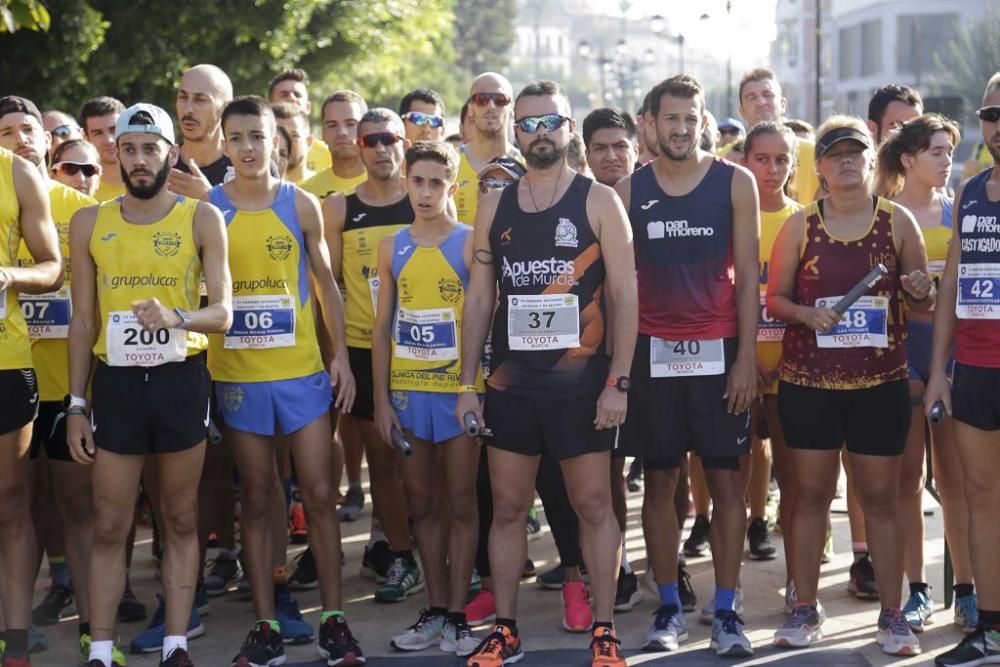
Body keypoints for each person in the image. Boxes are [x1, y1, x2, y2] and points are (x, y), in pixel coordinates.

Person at [457, 79, 637, 667]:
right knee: (507, 509)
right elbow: (480, 301)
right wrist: (466, 384)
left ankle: (605, 632)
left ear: (568, 128)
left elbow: (627, 297)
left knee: (593, 506)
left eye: (550, 122)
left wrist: (619, 382)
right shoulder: (495, 205)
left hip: (583, 386)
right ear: (516, 131)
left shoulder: (598, 201)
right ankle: (505, 630)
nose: (539, 132)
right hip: (511, 385)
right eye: (528, 123)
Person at [65, 103, 232, 667]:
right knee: (110, 523)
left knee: (179, 518)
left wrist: (177, 316)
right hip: (115, 385)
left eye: (150, 149)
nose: (139, 160)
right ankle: (103, 650)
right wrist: (77, 404)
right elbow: (83, 321)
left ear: (171, 153)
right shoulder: (90, 221)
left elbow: (225, 313)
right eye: (129, 149)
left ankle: (177, 645)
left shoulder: (202, 217)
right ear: (117, 154)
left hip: (180, 380)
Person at [203, 95, 362, 667]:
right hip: (238, 375)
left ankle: (335, 623)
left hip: (301, 373)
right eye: (237, 137)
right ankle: (266, 624)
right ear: (224, 144)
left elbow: (325, 282)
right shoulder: (207, 208)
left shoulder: (300, 204)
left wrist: (339, 354)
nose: (248, 148)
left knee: (319, 495)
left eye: (258, 136)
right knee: (260, 497)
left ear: (278, 141)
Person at [767, 115, 932, 655]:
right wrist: (805, 315)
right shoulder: (800, 225)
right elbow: (776, 300)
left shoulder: (897, 221)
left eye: (855, 152)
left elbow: (923, 298)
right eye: (835, 153)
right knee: (809, 495)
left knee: (882, 498)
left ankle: (892, 614)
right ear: (820, 166)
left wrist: (916, 285)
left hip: (880, 382)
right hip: (809, 381)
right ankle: (804, 607)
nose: (845, 161)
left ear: (870, 159)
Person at [616, 74, 759, 658]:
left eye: (690, 117)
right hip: (653, 355)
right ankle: (669, 604)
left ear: (703, 120)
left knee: (728, 486)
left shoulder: (735, 182)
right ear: (649, 123)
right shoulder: (628, 190)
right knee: (660, 483)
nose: (681, 128)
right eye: (669, 118)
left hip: (719, 354)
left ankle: (725, 609)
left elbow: (749, 278)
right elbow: (623, 291)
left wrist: (746, 358)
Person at [0, 95, 107, 664]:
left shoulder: (82, 206)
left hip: (67, 381)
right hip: (17, 372)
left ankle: (95, 629)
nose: (20, 138)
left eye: (28, 129)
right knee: (18, 505)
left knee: (77, 506)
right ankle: (16, 631)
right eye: (7, 130)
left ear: (46, 140)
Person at [371, 141, 482, 656]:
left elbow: (482, 322)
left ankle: (459, 615)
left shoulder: (468, 242)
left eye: (437, 182)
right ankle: (436, 610)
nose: (425, 191)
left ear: (452, 187)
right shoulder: (392, 245)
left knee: (460, 502)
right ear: (405, 183)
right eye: (418, 181)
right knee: (423, 506)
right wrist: (381, 401)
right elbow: (381, 330)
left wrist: (469, 389)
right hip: (409, 395)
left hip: (458, 396)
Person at [875, 113, 977, 634]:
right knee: (906, 481)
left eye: (950, 151)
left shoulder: (960, 206)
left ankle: (966, 589)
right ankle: (917, 591)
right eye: (936, 151)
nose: (946, 161)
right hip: (899, 353)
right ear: (908, 159)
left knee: (957, 478)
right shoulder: (883, 214)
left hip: (955, 353)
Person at [323, 108, 423, 602]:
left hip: (423, 349)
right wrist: (337, 352)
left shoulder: (424, 199)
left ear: (404, 144)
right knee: (382, 463)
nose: (381, 149)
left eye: (390, 139)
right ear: (356, 149)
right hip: (364, 350)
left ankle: (440, 553)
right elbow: (329, 287)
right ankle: (401, 556)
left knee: (427, 463)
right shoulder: (340, 209)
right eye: (371, 141)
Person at [925, 73, 1000, 667]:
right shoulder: (971, 191)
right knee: (980, 496)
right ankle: (990, 629)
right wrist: (939, 371)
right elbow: (951, 283)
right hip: (973, 367)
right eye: (991, 113)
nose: (999, 125)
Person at [0, 101, 64, 667]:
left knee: (12, 501)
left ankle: (14, 642)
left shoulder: (15, 172)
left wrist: (8, 275)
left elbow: (52, 266)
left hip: (6, 357)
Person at [740, 121, 800, 600]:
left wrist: (782, 365)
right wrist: (743, 359)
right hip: (737, 370)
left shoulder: (804, 221)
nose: (772, 169)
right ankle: (728, 588)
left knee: (796, 484)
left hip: (792, 372)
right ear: (744, 161)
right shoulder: (730, 220)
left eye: (782, 160)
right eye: (762, 159)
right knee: (729, 482)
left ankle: (800, 588)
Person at [736, 68, 819, 204]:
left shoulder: (814, 153)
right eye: (752, 97)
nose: (761, 102)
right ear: (742, 111)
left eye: (768, 95)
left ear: (783, 104)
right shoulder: (727, 157)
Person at [454, 73, 520, 227]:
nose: (491, 106)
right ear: (471, 108)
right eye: (481, 99)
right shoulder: (449, 165)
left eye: (500, 100)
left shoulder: (526, 166)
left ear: (512, 109)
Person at [167, 64, 235, 199]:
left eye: (200, 99)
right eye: (183, 97)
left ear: (226, 107)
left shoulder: (247, 165)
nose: (188, 109)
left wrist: (210, 198)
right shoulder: (161, 167)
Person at [301, 91, 368, 200]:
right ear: (323, 133)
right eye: (332, 125)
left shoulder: (389, 184)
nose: (341, 132)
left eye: (351, 124)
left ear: (367, 128)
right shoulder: (305, 194)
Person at [267, 68, 332, 174]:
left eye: (297, 95)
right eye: (284, 94)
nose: (292, 98)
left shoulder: (328, 155)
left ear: (308, 107)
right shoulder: (259, 150)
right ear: (269, 106)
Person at [79, 97, 125, 202]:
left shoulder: (156, 183)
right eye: (98, 133)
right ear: (85, 137)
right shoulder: (79, 189)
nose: (109, 140)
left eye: (114, 130)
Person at [582, 108, 637, 188]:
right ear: (587, 157)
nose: (611, 157)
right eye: (600, 148)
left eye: (620, 146)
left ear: (636, 152)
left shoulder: (659, 196)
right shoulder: (575, 199)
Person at [271, 103, 313, 183]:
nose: (285, 142)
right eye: (276, 135)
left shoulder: (324, 190)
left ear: (309, 142)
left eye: (294, 135)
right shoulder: (249, 190)